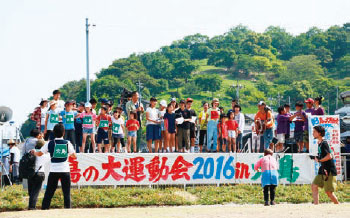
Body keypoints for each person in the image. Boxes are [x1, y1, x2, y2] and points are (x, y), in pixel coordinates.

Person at [31, 124, 76, 210]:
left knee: (49, 192)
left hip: (54, 170)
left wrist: (34, 152)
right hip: (65, 170)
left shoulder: (50, 143)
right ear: (64, 133)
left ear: (54, 133)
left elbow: (40, 153)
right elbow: (74, 155)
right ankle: (68, 209)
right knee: (66, 192)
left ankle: (44, 208)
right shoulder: (67, 143)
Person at [311, 125, 339, 205]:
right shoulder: (319, 143)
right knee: (314, 185)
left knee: (329, 192)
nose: (313, 133)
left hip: (329, 170)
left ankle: (338, 206)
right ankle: (316, 205)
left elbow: (329, 156)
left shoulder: (324, 143)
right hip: (323, 168)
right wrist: (317, 158)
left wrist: (319, 160)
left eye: (314, 132)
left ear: (319, 133)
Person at [27, 139, 49, 210]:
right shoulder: (45, 155)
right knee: (35, 191)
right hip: (40, 173)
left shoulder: (31, 151)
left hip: (30, 173)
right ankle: (32, 207)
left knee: (31, 190)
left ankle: (31, 205)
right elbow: (49, 158)